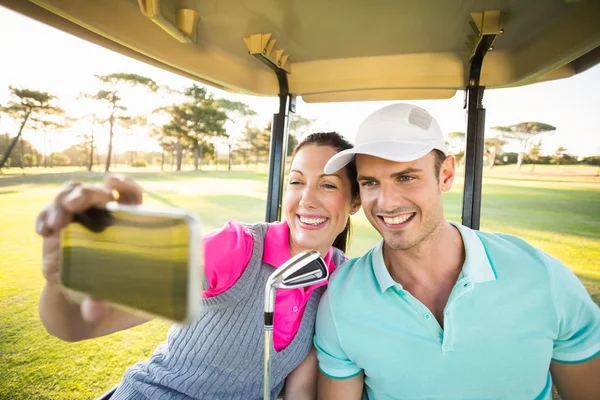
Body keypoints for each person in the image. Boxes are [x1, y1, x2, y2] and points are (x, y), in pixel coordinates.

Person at [35, 132, 361, 400]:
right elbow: (81, 325)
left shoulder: (339, 280)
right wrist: (60, 280)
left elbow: (299, 390)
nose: (306, 199)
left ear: (355, 202)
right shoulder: (237, 247)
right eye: (296, 182)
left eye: (328, 184)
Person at [314, 104, 600, 400]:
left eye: (406, 177)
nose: (385, 203)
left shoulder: (539, 275)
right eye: (370, 183)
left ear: (446, 174)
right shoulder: (341, 297)